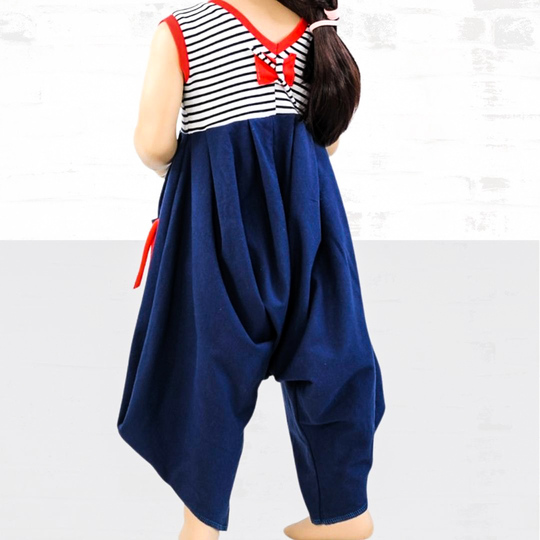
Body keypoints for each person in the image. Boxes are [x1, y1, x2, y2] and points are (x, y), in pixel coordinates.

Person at [116, 1, 386, 539]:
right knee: (331, 351)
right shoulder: (316, 33)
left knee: (208, 358)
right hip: (309, 221)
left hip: (218, 218)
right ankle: (345, 512)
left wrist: (204, 160)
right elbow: (328, 140)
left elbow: (153, 143)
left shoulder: (183, 30)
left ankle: (201, 526)